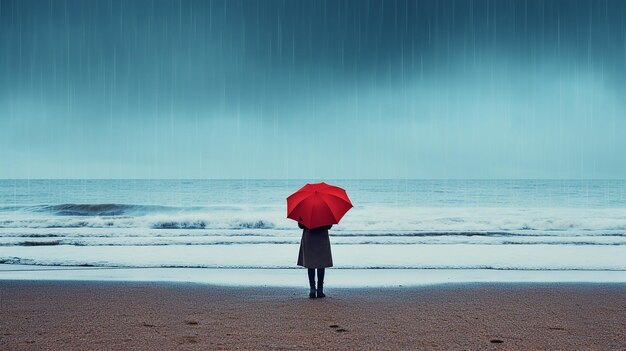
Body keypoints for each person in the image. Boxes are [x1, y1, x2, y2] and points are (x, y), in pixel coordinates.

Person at [297, 222, 333, 298]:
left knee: (310, 264)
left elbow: (301, 226)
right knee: (321, 264)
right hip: (322, 238)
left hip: (309, 238)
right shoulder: (325, 212)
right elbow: (329, 226)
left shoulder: (305, 211)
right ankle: (320, 290)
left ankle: (312, 289)